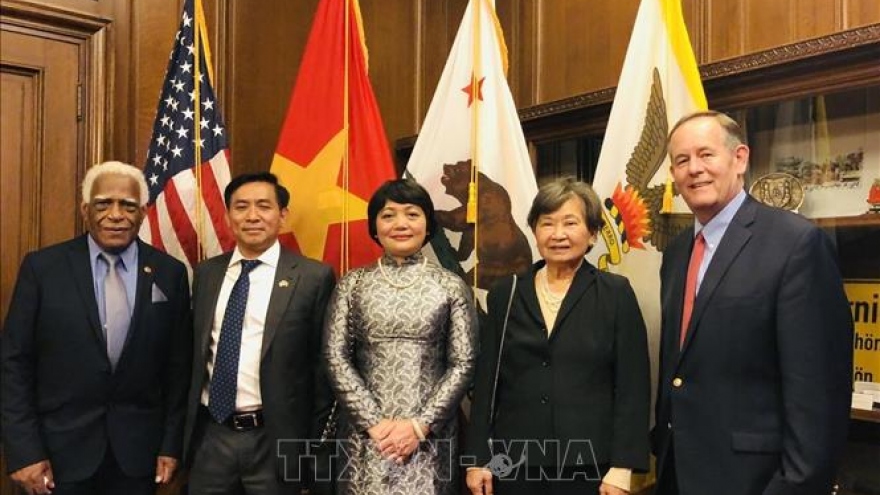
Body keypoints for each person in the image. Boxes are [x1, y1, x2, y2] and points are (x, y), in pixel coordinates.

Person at [653, 111, 853, 495]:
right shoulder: (676, 254)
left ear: (739, 158)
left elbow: (818, 392)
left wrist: (794, 485)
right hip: (678, 474)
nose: (694, 169)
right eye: (682, 160)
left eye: (706, 154)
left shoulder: (795, 243)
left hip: (756, 482)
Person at [1, 161, 191, 495]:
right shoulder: (43, 268)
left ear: (144, 213)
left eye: (128, 205)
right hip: (56, 457)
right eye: (104, 204)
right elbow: (14, 364)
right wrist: (24, 451)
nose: (116, 214)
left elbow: (178, 370)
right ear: (86, 210)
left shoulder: (169, 273)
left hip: (137, 457)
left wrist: (171, 445)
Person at [465, 177, 650, 495]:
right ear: (534, 231)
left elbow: (633, 385)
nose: (558, 234)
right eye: (547, 223)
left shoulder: (615, 294)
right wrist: (477, 459)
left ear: (592, 234)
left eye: (570, 223)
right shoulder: (505, 293)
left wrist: (623, 467)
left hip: (590, 466)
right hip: (513, 465)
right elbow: (486, 382)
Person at [183, 172, 336, 495]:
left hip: (277, 440)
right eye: (241, 207)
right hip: (211, 437)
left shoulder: (312, 277)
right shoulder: (206, 274)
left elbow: (323, 373)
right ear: (227, 217)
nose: (252, 216)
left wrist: (312, 456)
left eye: (264, 206)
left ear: (282, 215)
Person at [323, 178, 478, 494]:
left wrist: (420, 425)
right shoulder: (352, 285)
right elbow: (335, 357)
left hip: (429, 437)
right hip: (364, 435)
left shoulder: (450, 286)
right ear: (374, 226)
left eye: (412, 214)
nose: (400, 224)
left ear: (427, 223)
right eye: (388, 215)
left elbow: (463, 362)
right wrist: (374, 424)